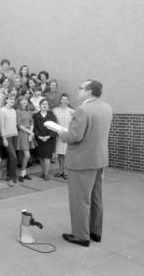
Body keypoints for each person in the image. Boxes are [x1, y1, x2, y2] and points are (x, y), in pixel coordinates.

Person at [57, 80, 112, 247]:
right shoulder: (107, 108)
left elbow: (74, 136)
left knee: (80, 200)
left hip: (82, 161)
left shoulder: (82, 110)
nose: (78, 90)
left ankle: (81, 235)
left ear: (89, 92)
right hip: (99, 159)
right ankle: (95, 232)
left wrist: (61, 132)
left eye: (81, 88)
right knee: (96, 198)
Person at [32, 98, 57, 180]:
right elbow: (34, 128)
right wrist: (39, 136)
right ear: (40, 106)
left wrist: (48, 136)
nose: (45, 105)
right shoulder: (35, 116)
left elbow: (55, 127)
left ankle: (46, 174)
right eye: (43, 104)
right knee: (41, 157)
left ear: (48, 106)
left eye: (46, 104)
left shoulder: (52, 115)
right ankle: (44, 172)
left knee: (47, 157)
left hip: (49, 139)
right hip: (40, 139)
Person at [53, 93, 74, 180]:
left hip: (68, 135)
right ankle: (61, 171)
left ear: (68, 101)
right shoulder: (55, 110)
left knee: (67, 154)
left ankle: (67, 172)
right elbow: (53, 122)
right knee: (60, 154)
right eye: (63, 99)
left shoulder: (72, 111)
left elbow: (75, 124)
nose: (64, 101)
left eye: (66, 99)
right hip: (59, 135)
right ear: (60, 100)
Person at [0, 95, 18, 186]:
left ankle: (8, 175)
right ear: (6, 100)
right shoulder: (2, 110)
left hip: (14, 136)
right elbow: (1, 125)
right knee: (14, 157)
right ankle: (11, 178)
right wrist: (4, 138)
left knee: (11, 157)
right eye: (10, 99)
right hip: (7, 137)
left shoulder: (14, 110)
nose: (12, 100)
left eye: (13, 99)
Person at [16, 97, 35, 182]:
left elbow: (32, 123)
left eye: (26, 102)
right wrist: (29, 132)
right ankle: (22, 173)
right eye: (23, 102)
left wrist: (31, 133)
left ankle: (24, 173)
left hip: (28, 133)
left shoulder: (29, 112)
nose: (25, 104)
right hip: (22, 133)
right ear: (19, 103)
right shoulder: (18, 111)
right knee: (26, 155)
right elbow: (19, 125)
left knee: (26, 155)